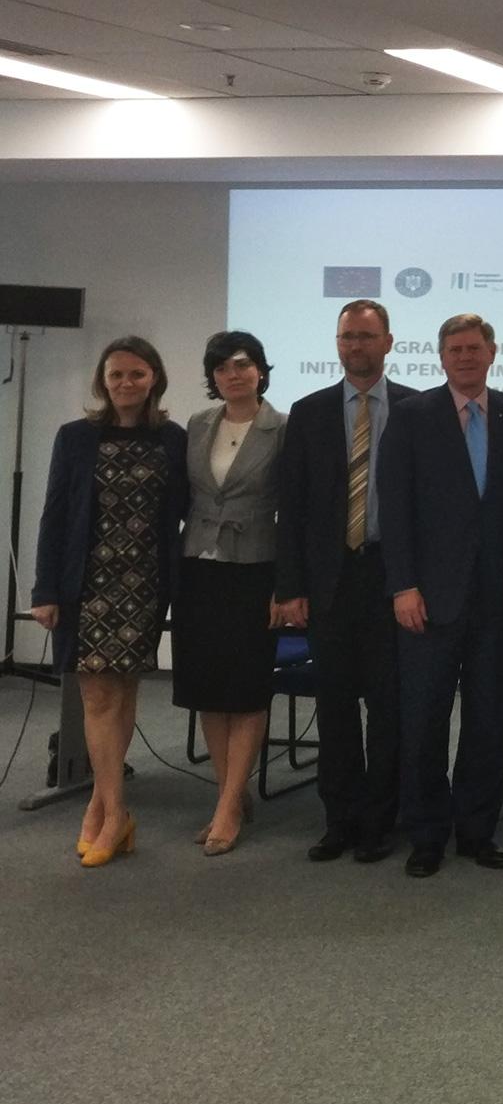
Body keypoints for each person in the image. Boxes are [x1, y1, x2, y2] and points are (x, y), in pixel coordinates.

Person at [378, 313, 503, 879]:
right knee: (424, 721)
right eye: (455, 349)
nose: (465, 357)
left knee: (490, 719)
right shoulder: (412, 415)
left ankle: (477, 830)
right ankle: (426, 833)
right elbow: (394, 506)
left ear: (492, 353)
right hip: (427, 598)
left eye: (474, 348)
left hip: (498, 598)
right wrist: (403, 585)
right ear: (441, 358)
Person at [32, 336, 189, 867]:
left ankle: (102, 807)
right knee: (97, 696)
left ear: (154, 378)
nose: (126, 383)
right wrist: (44, 590)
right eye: (116, 374)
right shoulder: (76, 437)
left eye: (136, 374)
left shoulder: (173, 439)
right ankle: (114, 809)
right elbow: (55, 515)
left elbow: (183, 511)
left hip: (144, 584)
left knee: (121, 694)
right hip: (87, 584)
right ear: (103, 381)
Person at [275, 299, 415, 865]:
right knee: (333, 707)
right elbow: (292, 507)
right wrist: (290, 588)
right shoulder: (308, 412)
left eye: (366, 336)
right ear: (337, 344)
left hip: (390, 576)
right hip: (328, 579)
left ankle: (379, 820)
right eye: (347, 336)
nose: (356, 346)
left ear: (388, 342)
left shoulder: (415, 409)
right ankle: (339, 819)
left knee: (387, 707)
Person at [171, 331, 286, 857]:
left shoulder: (283, 429)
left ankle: (227, 808)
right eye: (221, 368)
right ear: (212, 377)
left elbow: (296, 511)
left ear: (260, 370)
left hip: (254, 568)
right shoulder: (198, 424)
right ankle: (230, 795)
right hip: (198, 568)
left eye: (242, 364)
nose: (232, 375)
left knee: (245, 689)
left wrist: (287, 585)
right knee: (207, 688)